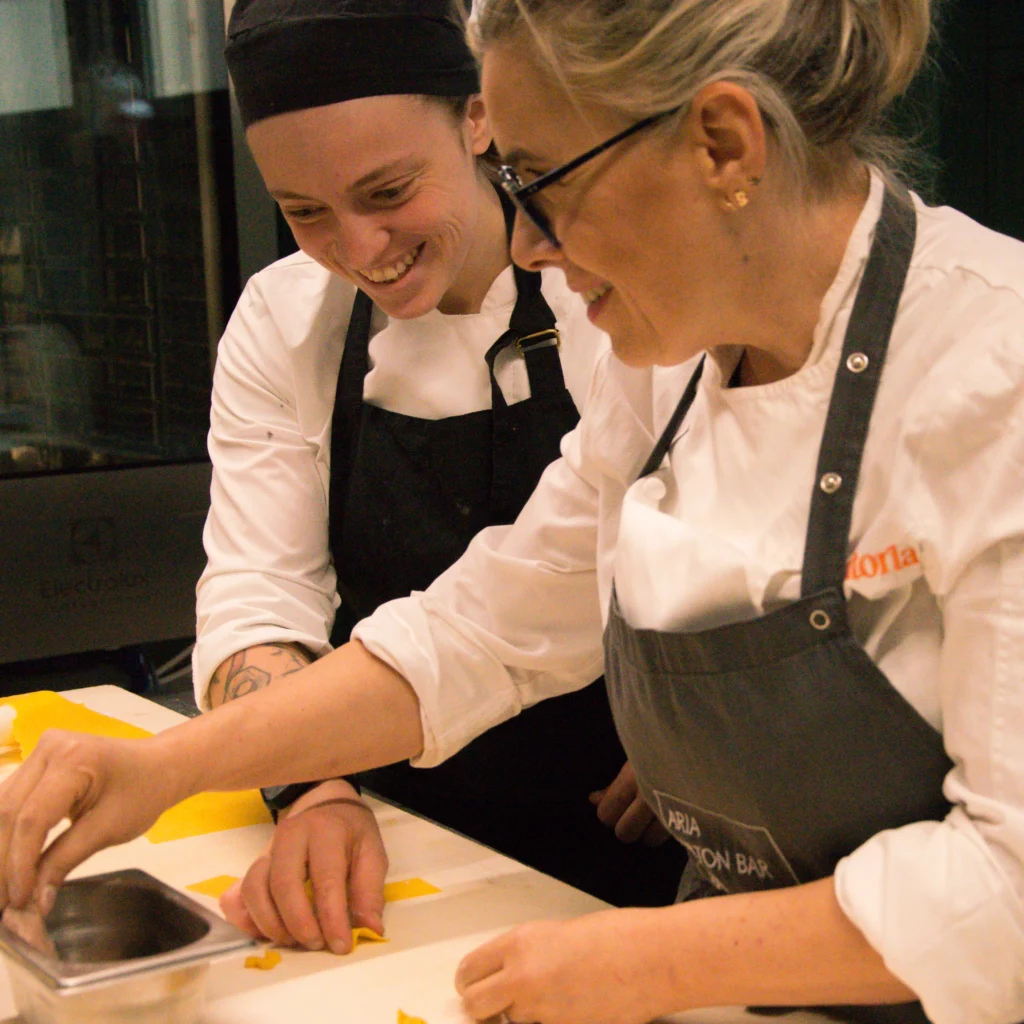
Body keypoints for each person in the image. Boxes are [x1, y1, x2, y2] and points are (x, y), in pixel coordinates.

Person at [2, 0, 1023, 1022]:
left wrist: (647, 961)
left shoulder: (992, 373)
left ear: (723, 143)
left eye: (544, 182)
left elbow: (1007, 889)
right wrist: (163, 765)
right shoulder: (666, 369)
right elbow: (481, 633)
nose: (528, 243)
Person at [191, 0, 684, 952]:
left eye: (387, 192)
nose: (358, 248)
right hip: (400, 838)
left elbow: (709, 543)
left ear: (478, 117)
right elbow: (260, 586)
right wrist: (312, 784)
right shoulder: (284, 320)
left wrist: (707, 735)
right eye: (304, 213)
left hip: (632, 831)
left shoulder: (618, 291)